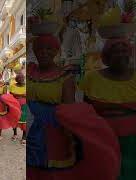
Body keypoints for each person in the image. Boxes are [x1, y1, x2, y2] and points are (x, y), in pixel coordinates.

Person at [27, 33, 120, 180]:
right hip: (33, 129)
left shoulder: (64, 75)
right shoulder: (30, 73)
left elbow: (69, 110)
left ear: (56, 51)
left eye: (49, 48)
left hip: (56, 132)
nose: (44, 52)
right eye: (39, 49)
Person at [79, 36, 136, 180]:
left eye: (125, 51)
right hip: (101, 139)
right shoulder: (92, 79)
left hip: (132, 141)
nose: (122, 55)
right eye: (116, 51)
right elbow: (85, 110)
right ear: (107, 56)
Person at [0, 64, 21, 141]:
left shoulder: (4, 85)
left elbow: (5, 95)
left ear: (1, 77)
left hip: (0, 103)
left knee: (0, 118)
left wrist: (6, 104)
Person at [9, 69, 26, 145]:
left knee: (24, 121)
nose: (21, 79)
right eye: (19, 78)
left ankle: (24, 137)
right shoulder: (12, 86)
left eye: (22, 78)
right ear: (16, 79)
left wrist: (18, 95)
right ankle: (15, 134)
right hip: (14, 105)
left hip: (24, 106)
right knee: (14, 120)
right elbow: (10, 95)